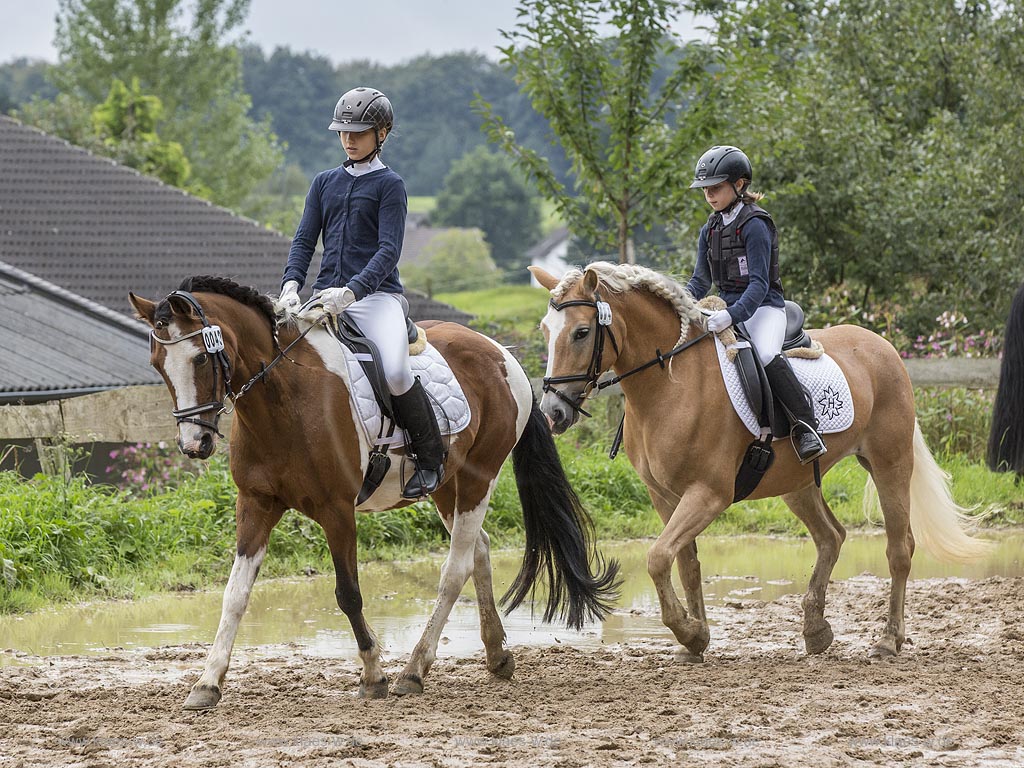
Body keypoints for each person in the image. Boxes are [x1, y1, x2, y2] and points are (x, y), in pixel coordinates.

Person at [279, 86, 444, 498]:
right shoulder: (323, 183)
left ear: (382, 132)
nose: (349, 140)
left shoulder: (391, 185)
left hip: (376, 299)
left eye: (359, 132)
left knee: (395, 371)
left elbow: (389, 250)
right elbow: (303, 240)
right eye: (343, 132)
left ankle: (430, 456)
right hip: (322, 300)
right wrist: (290, 285)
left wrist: (352, 292)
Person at [686, 145, 826, 464]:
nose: (709, 194)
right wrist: (681, 303)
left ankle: (806, 426)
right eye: (705, 189)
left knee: (765, 353)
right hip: (724, 309)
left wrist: (730, 316)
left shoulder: (756, 225)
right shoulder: (709, 230)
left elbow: (759, 284)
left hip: (765, 308)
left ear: (739, 184)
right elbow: (699, 281)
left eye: (716, 187)